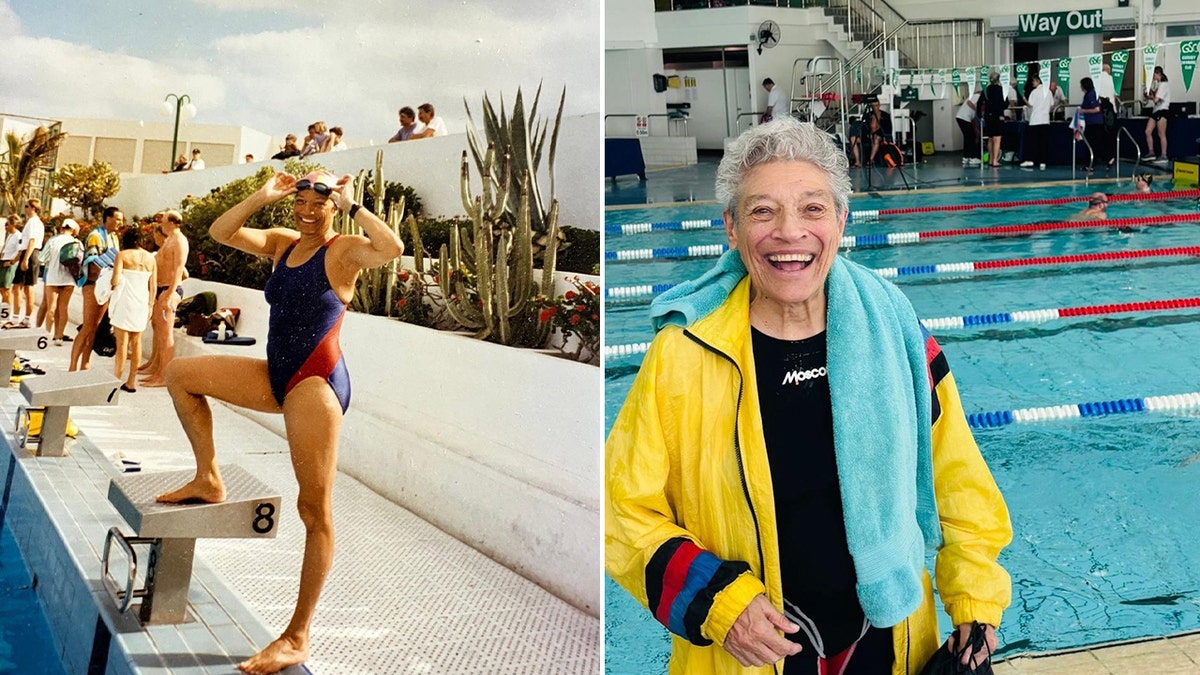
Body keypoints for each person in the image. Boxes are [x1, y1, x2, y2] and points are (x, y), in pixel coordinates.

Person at [606, 118, 1012, 675]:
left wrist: (974, 600)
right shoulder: (683, 355)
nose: (789, 232)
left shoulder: (896, 332)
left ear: (841, 221)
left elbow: (956, 477)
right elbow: (623, 510)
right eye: (762, 211)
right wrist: (718, 602)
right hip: (749, 653)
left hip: (887, 643)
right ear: (731, 228)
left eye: (813, 209)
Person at [155, 170, 403, 674]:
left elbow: (392, 247)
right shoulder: (283, 244)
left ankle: (297, 635)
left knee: (314, 509)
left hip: (315, 383)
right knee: (181, 374)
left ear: (332, 205)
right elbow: (222, 232)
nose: (308, 212)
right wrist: (263, 195)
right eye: (301, 203)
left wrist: (352, 204)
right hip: (277, 373)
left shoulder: (344, 250)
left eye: (319, 204)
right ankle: (208, 476)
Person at [139, 210, 189, 388]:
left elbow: (179, 270)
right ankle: (156, 368)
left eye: (163, 221)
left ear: (172, 222)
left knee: (166, 334)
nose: (161, 224)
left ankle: (163, 376)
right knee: (159, 332)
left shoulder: (180, 241)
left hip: (169, 289)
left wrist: (169, 293)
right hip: (162, 288)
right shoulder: (170, 240)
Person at [69, 207, 121, 371]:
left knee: (94, 328)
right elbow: (93, 266)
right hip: (93, 285)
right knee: (87, 328)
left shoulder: (113, 237)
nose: (120, 222)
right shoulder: (96, 236)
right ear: (107, 218)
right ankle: (72, 366)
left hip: (104, 287)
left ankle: (85, 364)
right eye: (117, 219)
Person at [110, 228, 156, 393]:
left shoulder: (122, 255)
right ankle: (130, 382)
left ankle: (116, 379)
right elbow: (153, 286)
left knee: (122, 344)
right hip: (141, 303)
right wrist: (150, 306)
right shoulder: (151, 258)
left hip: (125, 302)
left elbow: (115, 280)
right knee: (136, 343)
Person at [38, 218, 81, 346]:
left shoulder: (53, 241)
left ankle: (46, 335)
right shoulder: (77, 242)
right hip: (69, 279)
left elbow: (42, 259)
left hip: (53, 277)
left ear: (62, 228)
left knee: (51, 308)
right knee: (63, 308)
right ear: (73, 230)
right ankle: (59, 336)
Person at [8, 199, 45, 329]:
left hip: (31, 254)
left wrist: (26, 259)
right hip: (27, 253)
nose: (25, 209)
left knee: (27, 287)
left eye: (27, 206)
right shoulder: (32, 222)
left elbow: (32, 241)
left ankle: (25, 318)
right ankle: (18, 317)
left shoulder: (34, 222)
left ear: (33, 208)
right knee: (17, 287)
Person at [1078, 77, 1110, 171]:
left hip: (1094, 123)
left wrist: (1083, 110)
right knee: (1095, 144)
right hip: (1092, 122)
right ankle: (1093, 162)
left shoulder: (1091, 94)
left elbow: (1096, 109)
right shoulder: (1089, 94)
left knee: (1093, 144)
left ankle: (1092, 163)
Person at [1022, 76, 1051, 169]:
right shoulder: (1049, 92)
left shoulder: (1034, 92)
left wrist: (1024, 99)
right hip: (1045, 119)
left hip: (1035, 120)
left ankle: (1031, 160)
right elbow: (1052, 105)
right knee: (1043, 142)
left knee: (1033, 142)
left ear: (1038, 81)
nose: (1032, 83)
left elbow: (1030, 105)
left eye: (1033, 81)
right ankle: (1043, 162)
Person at [1143, 67, 1171, 161]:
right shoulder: (1158, 85)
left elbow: (1156, 99)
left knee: (1161, 133)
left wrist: (1150, 97)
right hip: (1155, 110)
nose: (1153, 77)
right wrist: (1148, 95)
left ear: (1158, 73)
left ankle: (1164, 155)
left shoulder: (1164, 85)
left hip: (1162, 110)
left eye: (1154, 74)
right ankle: (1151, 152)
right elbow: (1155, 100)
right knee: (1147, 131)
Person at [0, 215, 23, 314]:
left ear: (13, 224)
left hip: (9, 263)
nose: (6, 227)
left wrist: (11, 262)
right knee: (2, 289)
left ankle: (5, 315)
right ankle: (3, 312)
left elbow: (20, 252)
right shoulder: (10, 235)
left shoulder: (18, 236)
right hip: (3, 261)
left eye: (7, 224)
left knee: (6, 290)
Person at [984, 71, 1007, 167]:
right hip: (997, 116)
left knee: (990, 138)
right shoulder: (1001, 90)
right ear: (998, 80)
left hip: (988, 116)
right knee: (997, 139)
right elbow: (1005, 102)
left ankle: (990, 159)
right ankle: (995, 161)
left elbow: (981, 101)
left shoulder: (986, 89)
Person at [861, 96, 892, 166]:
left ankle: (871, 160)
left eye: (877, 105)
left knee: (876, 138)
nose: (875, 107)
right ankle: (858, 161)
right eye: (874, 106)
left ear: (879, 105)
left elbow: (888, 128)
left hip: (880, 134)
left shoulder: (885, 115)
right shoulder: (869, 114)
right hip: (869, 133)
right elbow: (864, 125)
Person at [956, 88, 982, 166]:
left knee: (968, 137)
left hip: (962, 117)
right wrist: (977, 111)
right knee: (970, 137)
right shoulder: (977, 96)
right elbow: (969, 103)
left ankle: (966, 157)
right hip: (964, 118)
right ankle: (973, 157)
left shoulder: (974, 96)